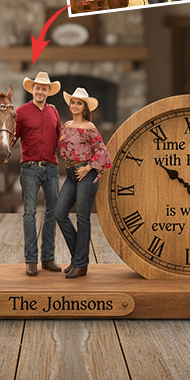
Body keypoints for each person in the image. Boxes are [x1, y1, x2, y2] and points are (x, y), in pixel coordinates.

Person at [56, 88, 111, 279]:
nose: (75, 105)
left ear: (85, 107)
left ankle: (80, 264)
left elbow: (102, 151)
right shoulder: (66, 125)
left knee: (82, 217)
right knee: (59, 213)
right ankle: (79, 259)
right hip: (71, 174)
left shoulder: (89, 127)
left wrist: (88, 168)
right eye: (73, 102)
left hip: (86, 173)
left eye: (79, 103)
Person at [14, 72, 62, 277]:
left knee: (52, 213)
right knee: (30, 213)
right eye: (38, 88)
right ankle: (31, 260)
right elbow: (12, 138)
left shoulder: (54, 112)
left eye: (44, 88)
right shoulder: (21, 112)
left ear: (48, 92)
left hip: (51, 168)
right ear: (32, 90)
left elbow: (61, 138)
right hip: (29, 168)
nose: (40, 91)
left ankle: (48, 258)